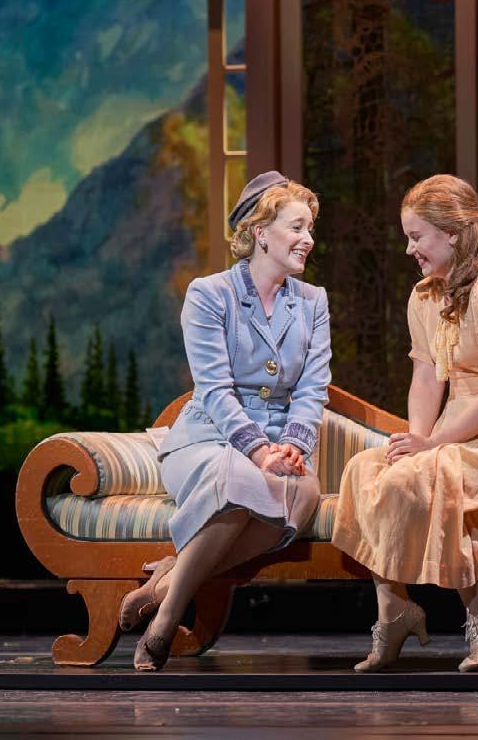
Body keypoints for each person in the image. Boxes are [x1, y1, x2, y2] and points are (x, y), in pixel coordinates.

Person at [330, 173, 478, 673]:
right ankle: (393, 609)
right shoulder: (424, 297)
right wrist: (419, 439)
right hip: (454, 432)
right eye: (407, 237)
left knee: (426, 473)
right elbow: (424, 379)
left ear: (453, 233)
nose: (409, 249)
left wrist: (432, 445)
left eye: (417, 236)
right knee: (365, 469)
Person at [121, 171, 331, 672]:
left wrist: (294, 445)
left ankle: (168, 581)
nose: (308, 238)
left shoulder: (312, 302)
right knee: (238, 479)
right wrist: (258, 450)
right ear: (261, 233)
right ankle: (166, 622)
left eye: (310, 228)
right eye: (297, 227)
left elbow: (312, 387)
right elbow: (214, 389)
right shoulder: (209, 294)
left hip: (280, 445)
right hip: (208, 439)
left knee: (303, 493)